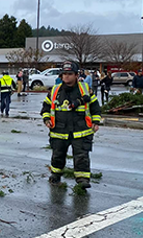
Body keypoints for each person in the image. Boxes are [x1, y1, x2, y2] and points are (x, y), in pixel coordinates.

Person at [41, 61, 102, 189]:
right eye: (64, 74)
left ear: (76, 75)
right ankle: (55, 176)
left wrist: (96, 122)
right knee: (58, 155)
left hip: (81, 130)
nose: (66, 76)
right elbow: (46, 107)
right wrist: (46, 120)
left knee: (81, 156)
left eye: (69, 74)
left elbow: (95, 107)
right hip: (59, 130)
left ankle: (82, 179)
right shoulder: (55, 91)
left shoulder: (84, 90)